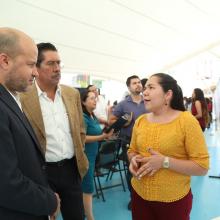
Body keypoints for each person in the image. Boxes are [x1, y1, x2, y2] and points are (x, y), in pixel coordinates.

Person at [20, 42, 88, 220]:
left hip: (71, 169)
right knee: (44, 216)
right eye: (51, 64)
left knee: (76, 216)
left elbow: (80, 129)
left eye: (59, 63)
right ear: (36, 67)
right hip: (41, 172)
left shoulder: (71, 94)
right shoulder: (22, 98)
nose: (57, 68)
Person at [128, 73, 209, 220]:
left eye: (151, 87)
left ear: (168, 94)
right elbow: (131, 150)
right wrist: (133, 159)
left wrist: (164, 162)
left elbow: (202, 167)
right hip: (139, 195)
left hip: (173, 201)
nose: (144, 91)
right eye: (145, 88)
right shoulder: (141, 121)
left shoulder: (186, 121)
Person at [0, 27, 60, 220]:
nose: (36, 72)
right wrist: (49, 201)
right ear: (5, 61)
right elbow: (7, 184)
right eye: (31, 64)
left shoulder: (9, 98)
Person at [109, 75, 147, 210]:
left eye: (139, 82)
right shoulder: (123, 104)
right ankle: (134, 198)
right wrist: (124, 124)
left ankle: (146, 197)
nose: (138, 85)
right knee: (132, 170)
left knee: (147, 170)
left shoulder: (148, 100)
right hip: (129, 142)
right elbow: (111, 120)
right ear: (129, 87)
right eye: (134, 83)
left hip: (148, 143)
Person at [81, 90, 113, 220]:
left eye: (96, 98)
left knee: (85, 186)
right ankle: (90, 217)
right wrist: (101, 136)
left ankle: (83, 211)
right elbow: (81, 138)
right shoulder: (83, 117)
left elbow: (99, 129)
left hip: (93, 155)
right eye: (92, 98)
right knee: (88, 187)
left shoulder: (92, 115)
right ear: (83, 101)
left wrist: (105, 133)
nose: (95, 100)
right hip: (86, 157)